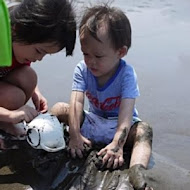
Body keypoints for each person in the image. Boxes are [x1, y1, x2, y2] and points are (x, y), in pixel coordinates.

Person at [51, 4, 153, 190]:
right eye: (85, 53)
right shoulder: (82, 69)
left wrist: (117, 143)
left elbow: (126, 113)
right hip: (93, 121)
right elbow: (76, 102)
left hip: (120, 125)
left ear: (120, 52)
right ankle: (53, 147)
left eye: (98, 55)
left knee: (144, 131)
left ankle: (137, 170)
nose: (90, 61)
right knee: (59, 108)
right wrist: (74, 135)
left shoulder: (126, 74)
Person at [0, 0, 76, 149]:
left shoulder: (19, 41)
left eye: (46, 54)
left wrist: (35, 93)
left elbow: (23, 70)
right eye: (39, 51)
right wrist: (11, 115)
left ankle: (3, 125)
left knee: (29, 78)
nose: (39, 59)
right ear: (17, 29)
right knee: (14, 98)